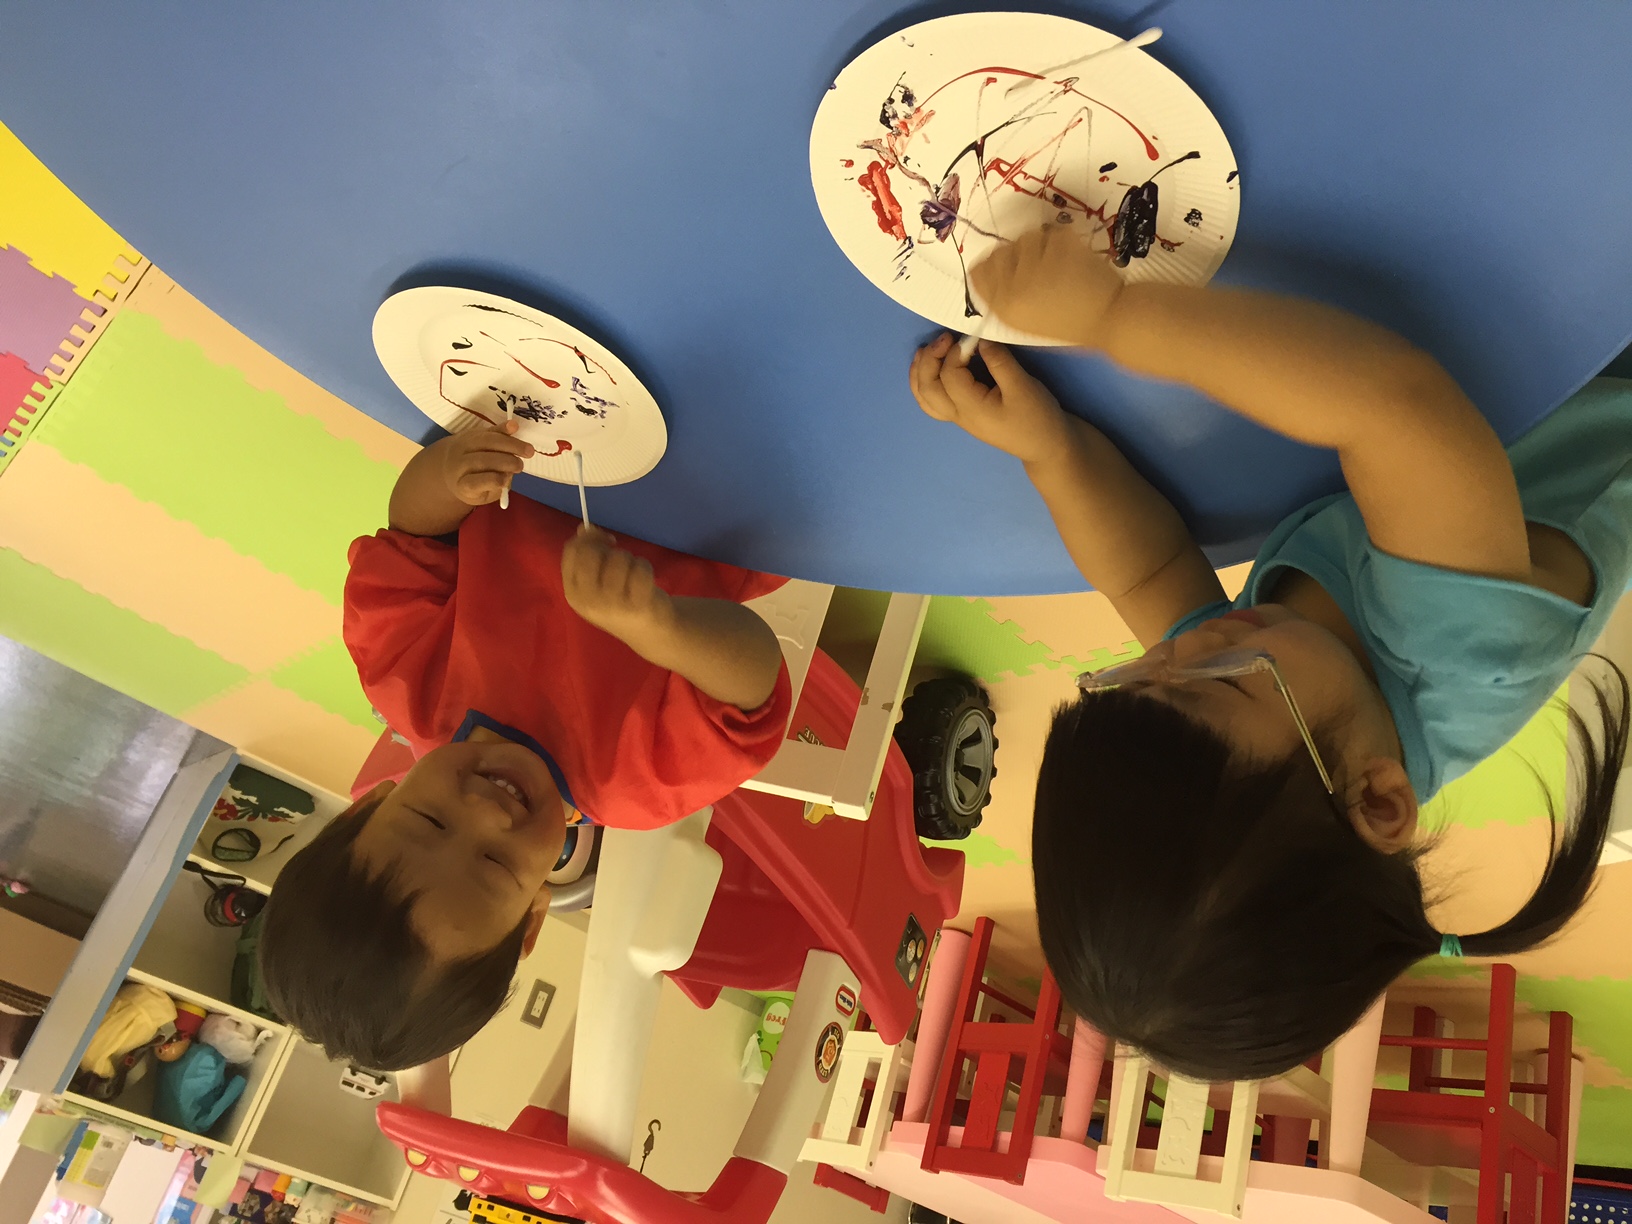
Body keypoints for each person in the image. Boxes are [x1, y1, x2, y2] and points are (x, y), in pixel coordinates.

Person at [908, 225, 1631, 1082]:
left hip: (1498, 339)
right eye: (1203, 680)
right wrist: (1112, 317)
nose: (1179, 648)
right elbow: (1390, 403)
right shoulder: (1464, 646)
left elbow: (1149, 570)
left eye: (1128, 681)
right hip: (1596, 331)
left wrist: (1050, 451)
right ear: (1377, 798)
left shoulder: (1257, 691)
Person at [259, 420, 792, 1070]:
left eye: (429, 820)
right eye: (494, 864)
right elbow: (754, 683)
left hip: (558, 420)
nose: (485, 812)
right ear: (534, 914)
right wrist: (660, 626)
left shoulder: (403, 678)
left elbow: (409, 534)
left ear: (366, 807)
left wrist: (449, 476)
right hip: (737, 489)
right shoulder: (636, 784)